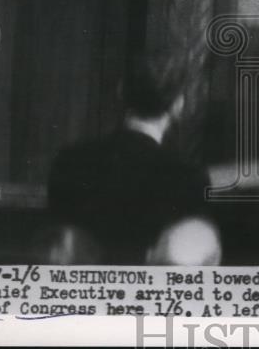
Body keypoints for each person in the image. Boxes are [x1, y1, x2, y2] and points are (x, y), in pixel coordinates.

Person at [48, 48, 210, 264]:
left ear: (121, 93)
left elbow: (59, 242)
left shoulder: (70, 160)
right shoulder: (188, 176)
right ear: (178, 105)